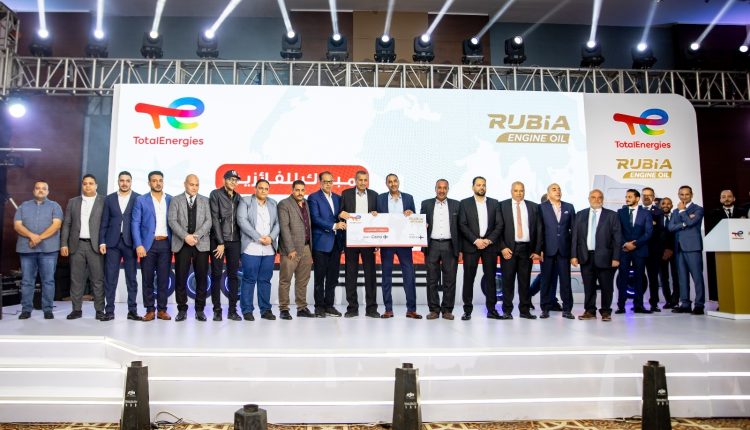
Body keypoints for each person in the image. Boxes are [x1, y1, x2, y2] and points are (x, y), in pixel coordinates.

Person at [14, 181, 63, 320]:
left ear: (48, 191)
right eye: (38, 188)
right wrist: (32, 236)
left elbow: (56, 225)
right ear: (33, 190)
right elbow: (17, 226)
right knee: (27, 281)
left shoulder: (55, 206)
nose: (40, 190)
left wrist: (38, 238)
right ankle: (26, 310)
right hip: (26, 249)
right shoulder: (23, 206)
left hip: (49, 250)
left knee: (48, 281)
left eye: (44, 188)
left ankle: (47, 310)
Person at [60, 174, 106, 320]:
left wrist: (104, 242)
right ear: (82, 185)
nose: (88, 186)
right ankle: (76, 310)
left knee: (97, 280)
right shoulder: (73, 202)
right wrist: (64, 243)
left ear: (96, 186)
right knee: (76, 279)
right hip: (76, 245)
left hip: (96, 246)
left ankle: (100, 310)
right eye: (85, 183)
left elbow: (106, 224)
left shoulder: (104, 201)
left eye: (91, 183)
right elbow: (67, 224)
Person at [571, 189, 621, 321]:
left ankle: (606, 312)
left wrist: (616, 257)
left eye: (599, 197)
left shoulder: (612, 215)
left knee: (606, 287)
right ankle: (590, 311)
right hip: (585, 257)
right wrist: (574, 255)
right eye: (593, 197)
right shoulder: (580, 214)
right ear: (589, 199)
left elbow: (617, 238)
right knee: (589, 286)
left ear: (603, 199)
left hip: (606, 257)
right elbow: (575, 237)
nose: (596, 200)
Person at [458, 176, 503, 320]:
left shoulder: (494, 203)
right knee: (468, 279)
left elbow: (499, 224)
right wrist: (476, 240)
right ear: (473, 187)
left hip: (490, 246)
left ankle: (492, 310)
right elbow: (462, 224)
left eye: (483, 185)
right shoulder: (464, 203)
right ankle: (467, 310)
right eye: (478, 185)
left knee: (491, 279)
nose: (481, 187)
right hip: (471, 246)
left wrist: (488, 240)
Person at [168, 174, 212, 322]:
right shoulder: (175, 200)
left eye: (197, 185)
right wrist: (186, 236)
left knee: (202, 278)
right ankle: (182, 310)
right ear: (185, 184)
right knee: (180, 278)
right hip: (182, 244)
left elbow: (209, 221)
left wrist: (196, 236)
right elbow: (172, 221)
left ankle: (200, 310)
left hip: (201, 244)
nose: (194, 187)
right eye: (191, 184)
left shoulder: (205, 200)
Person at [376, 174, 420, 319]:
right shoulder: (380, 198)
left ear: (399, 182)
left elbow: (414, 219)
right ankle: (388, 309)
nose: (393, 184)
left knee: (409, 276)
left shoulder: (408, 198)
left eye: (395, 181)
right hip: (387, 243)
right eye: (390, 182)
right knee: (386, 277)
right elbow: (376, 219)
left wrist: (411, 213)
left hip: (404, 243)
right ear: (386, 184)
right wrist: (374, 214)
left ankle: (411, 310)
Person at [99, 171, 142, 321]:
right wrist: (102, 241)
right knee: (110, 278)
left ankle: (132, 311)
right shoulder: (109, 199)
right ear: (118, 181)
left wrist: (140, 243)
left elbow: (140, 223)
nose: (124, 183)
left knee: (131, 278)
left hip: (130, 243)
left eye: (127, 181)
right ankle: (109, 311)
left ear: (131, 182)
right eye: (122, 180)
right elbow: (104, 222)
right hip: (112, 243)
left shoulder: (138, 198)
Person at [132, 170, 173, 321]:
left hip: (166, 244)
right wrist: (138, 244)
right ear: (149, 183)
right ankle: (150, 310)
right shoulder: (141, 200)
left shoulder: (171, 199)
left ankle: (162, 310)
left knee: (163, 279)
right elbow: (135, 223)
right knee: (147, 279)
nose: (158, 183)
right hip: (148, 245)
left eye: (160, 180)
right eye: (154, 180)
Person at [498, 181, 543, 320]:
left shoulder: (533, 206)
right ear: (511, 191)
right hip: (509, 250)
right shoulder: (502, 206)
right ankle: (507, 311)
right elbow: (497, 229)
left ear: (524, 191)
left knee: (524, 282)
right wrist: (502, 247)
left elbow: (539, 229)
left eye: (521, 190)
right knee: (507, 282)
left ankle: (524, 310)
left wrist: (537, 250)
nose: (519, 193)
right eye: (516, 190)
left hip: (527, 250)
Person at [339, 170, 380, 318]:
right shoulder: (346, 194)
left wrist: (376, 214)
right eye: (360, 180)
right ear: (355, 180)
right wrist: (341, 214)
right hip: (351, 239)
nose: (363, 182)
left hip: (368, 240)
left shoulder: (374, 195)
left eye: (365, 180)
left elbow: (379, 217)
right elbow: (340, 213)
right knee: (351, 275)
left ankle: (371, 309)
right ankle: (352, 308)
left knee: (370, 275)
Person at [237, 179, 279, 321]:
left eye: (266, 188)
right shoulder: (246, 201)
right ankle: (247, 310)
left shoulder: (273, 203)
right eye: (261, 188)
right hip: (251, 247)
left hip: (268, 249)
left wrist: (271, 238)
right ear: (255, 188)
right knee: (249, 279)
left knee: (265, 280)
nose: (263, 191)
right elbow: (242, 221)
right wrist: (258, 237)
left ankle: (265, 310)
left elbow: (278, 223)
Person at [420, 179, 460, 320]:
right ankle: (434, 310)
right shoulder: (426, 204)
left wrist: (460, 249)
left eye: (444, 188)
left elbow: (460, 228)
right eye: (439, 187)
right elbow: (420, 223)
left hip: (450, 245)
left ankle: (447, 310)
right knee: (432, 280)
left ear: (448, 189)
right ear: (435, 188)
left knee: (450, 280)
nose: (442, 190)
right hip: (432, 245)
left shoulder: (456, 204)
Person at [308, 171, 346, 318]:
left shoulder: (338, 198)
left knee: (332, 277)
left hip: (336, 243)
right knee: (320, 277)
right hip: (321, 243)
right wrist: (334, 226)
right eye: (325, 181)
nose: (328, 184)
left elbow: (341, 216)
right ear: (320, 182)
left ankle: (329, 306)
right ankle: (319, 307)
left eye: (330, 181)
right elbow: (315, 218)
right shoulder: (313, 197)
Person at [277, 180, 315, 320]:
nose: (300, 193)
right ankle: (284, 309)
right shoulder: (284, 204)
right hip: (290, 250)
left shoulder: (307, 204)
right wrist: (290, 249)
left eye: (302, 190)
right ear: (292, 190)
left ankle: (302, 308)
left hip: (306, 248)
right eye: (297, 190)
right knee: (285, 280)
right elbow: (284, 227)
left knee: (302, 280)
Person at [208, 170, 243, 322]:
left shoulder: (239, 197)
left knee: (233, 276)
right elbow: (215, 218)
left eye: (236, 180)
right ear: (224, 180)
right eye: (230, 179)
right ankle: (217, 310)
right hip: (218, 241)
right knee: (216, 275)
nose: (233, 182)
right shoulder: (215, 194)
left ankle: (232, 310)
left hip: (235, 241)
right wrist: (221, 242)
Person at [538, 183, 575, 319]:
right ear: (548, 193)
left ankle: (567, 309)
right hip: (547, 250)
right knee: (546, 280)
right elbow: (539, 230)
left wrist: (574, 253)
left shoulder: (569, 207)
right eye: (554, 189)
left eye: (559, 189)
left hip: (564, 250)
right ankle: (545, 308)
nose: (558, 191)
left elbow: (574, 231)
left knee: (565, 281)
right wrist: (539, 249)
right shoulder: (541, 207)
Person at [669, 185, 706, 315]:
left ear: (691, 195)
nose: (684, 197)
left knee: (697, 277)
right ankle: (685, 304)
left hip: (693, 247)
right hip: (679, 248)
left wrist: (683, 212)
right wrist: (684, 223)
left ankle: (699, 305)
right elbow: (671, 227)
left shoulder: (698, 209)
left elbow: (691, 223)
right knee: (682, 278)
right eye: (682, 194)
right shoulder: (675, 211)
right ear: (678, 195)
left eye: (687, 194)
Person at [705, 190, 747, 304]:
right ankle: (723, 302)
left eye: (729, 196)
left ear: (734, 198)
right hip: (721, 251)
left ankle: (742, 300)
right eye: (723, 197)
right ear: (720, 199)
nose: (726, 199)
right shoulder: (713, 213)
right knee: (722, 277)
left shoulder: (743, 211)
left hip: (740, 251)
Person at [615, 189, 653, 314]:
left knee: (639, 278)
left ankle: (639, 306)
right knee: (623, 278)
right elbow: (617, 231)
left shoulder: (646, 213)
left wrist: (635, 244)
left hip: (640, 250)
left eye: (630, 197)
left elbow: (648, 232)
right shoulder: (620, 212)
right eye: (626, 196)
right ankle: (621, 306)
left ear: (637, 198)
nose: (627, 199)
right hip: (624, 249)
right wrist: (626, 244)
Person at [641, 187, 664, 311]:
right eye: (644, 195)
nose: (646, 197)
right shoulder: (637, 210)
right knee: (639, 277)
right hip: (639, 249)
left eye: (649, 195)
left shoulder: (658, 212)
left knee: (653, 278)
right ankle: (638, 304)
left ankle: (654, 303)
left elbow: (660, 230)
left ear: (653, 197)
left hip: (653, 250)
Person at [656, 197, 679, 309]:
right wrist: (663, 249)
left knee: (676, 277)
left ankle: (675, 300)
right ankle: (668, 300)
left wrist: (670, 249)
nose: (666, 205)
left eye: (668, 203)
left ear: (672, 205)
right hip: (661, 252)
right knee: (663, 278)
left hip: (675, 251)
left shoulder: (677, 216)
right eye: (663, 203)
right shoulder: (656, 218)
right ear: (660, 205)